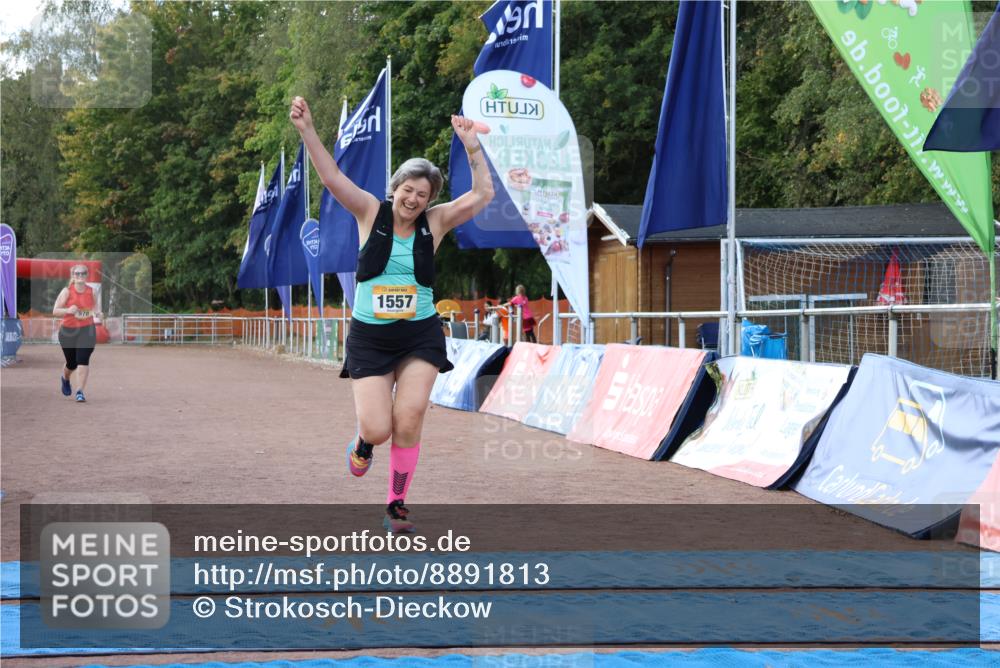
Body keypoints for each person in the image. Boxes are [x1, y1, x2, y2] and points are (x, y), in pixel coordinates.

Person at [290, 96, 494, 533]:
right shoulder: (369, 211)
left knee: (412, 415)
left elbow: (483, 194)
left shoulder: (435, 222)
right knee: (379, 427)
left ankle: (396, 504)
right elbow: (331, 178)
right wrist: (308, 130)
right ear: (395, 188)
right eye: (408, 190)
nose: (414, 199)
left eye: (423, 194)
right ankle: (364, 443)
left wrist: (472, 148)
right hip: (370, 336)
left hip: (419, 334)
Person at [52, 264, 102, 403]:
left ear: (87, 275)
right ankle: (65, 378)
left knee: (83, 359)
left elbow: (96, 307)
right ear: (73, 276)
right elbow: (55, 311)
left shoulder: (92, 291)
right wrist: (67, 310)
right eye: (77, 273)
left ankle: (80, 391)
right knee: (72, 363)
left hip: (87, 330)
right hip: (68, 331)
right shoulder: (66, 291)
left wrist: (99, 313)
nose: (80, 276)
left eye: (83, 273)